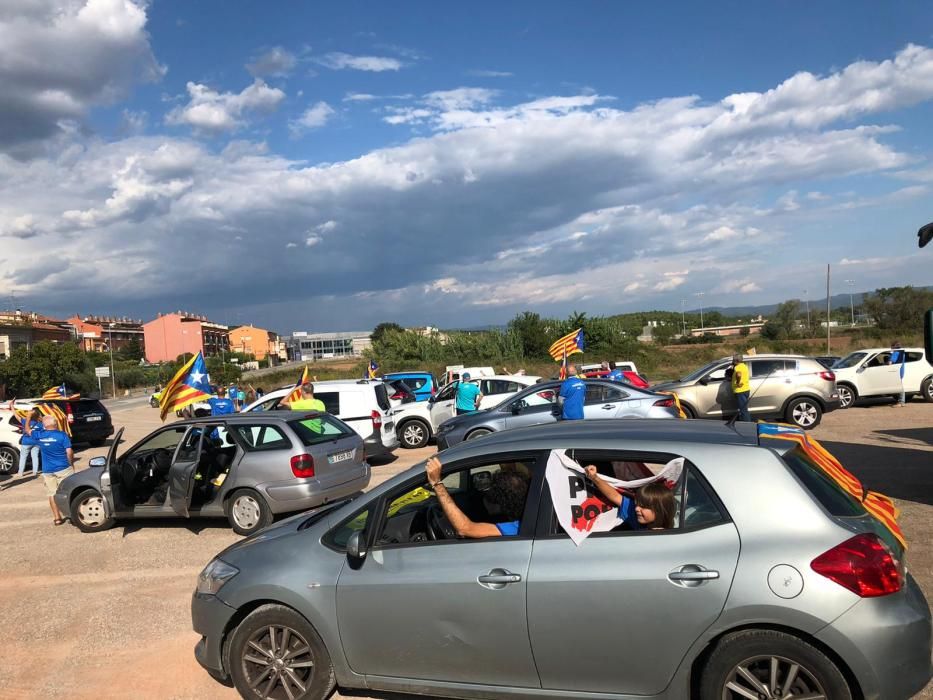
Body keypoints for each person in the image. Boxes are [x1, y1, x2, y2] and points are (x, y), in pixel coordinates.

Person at [425, 456, 529, 538]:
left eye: (490, 498)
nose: (486, 499)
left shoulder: (516, 528)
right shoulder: (529, 515)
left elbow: (465, 529)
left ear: (501, 507)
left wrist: (437, 484)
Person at [584, 465, 675, 530]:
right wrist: (595, 478)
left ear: (660, 510)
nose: (637, 509)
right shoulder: (634, 516)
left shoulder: (669, 537)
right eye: (637, 504)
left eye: (643, 506)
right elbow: (615, 496)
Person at [22, 413, 74, 526]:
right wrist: (71, 464)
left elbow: (27, 430)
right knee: (68, 491)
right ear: (55, 424)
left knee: (51, 494)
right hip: (63, 468)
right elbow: (69, 452)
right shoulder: (62, 435)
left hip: (48, 470)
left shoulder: (39, 435)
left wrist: (28, 418)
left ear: (44, 426)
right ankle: (72, 515)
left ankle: (57, 518)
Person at [16, 414, 42, 478]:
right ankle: (34, 472)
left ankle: (20, 473)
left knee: (23, 457)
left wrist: (12, 407)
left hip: (26, 442)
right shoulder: (40, 424)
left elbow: (17, 417)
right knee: (35, 457)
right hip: (36, 442)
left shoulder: (25, 421)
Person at [731, 353, 751, 422]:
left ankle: (747, 425)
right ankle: (743, 422)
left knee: (743, 410)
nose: (732, 361)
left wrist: (738, 382)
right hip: (746, 390)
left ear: (736, 360)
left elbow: (739, 374)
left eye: (733, 360)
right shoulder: (744, 366)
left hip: (740, 391)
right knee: (743, 409)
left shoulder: (738, 367)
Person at [890, 342, 906, 407]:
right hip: (901, 370)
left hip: (896, 371)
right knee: (900, 385)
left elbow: (891, 362)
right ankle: (902, 402)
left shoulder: (895, 353)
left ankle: (901, 402)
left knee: (899, 386)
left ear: (894, 347)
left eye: (891, 347)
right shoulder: (902, 353)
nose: (891, 348)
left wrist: (887, 362)